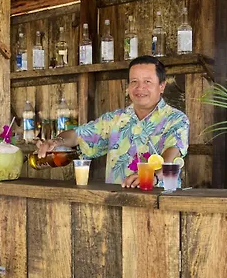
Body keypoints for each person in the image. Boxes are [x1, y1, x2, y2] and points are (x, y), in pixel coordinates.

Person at [37, 55, 189, 188]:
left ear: (162, 86)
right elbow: (77, 135)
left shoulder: (176, 119)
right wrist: (56, 142)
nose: (140, 88)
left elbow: (172, 154)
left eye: (147, 81)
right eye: (134, 81)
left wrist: (152, 176)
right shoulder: (114, 120)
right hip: (116, 202)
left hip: (159, 203)